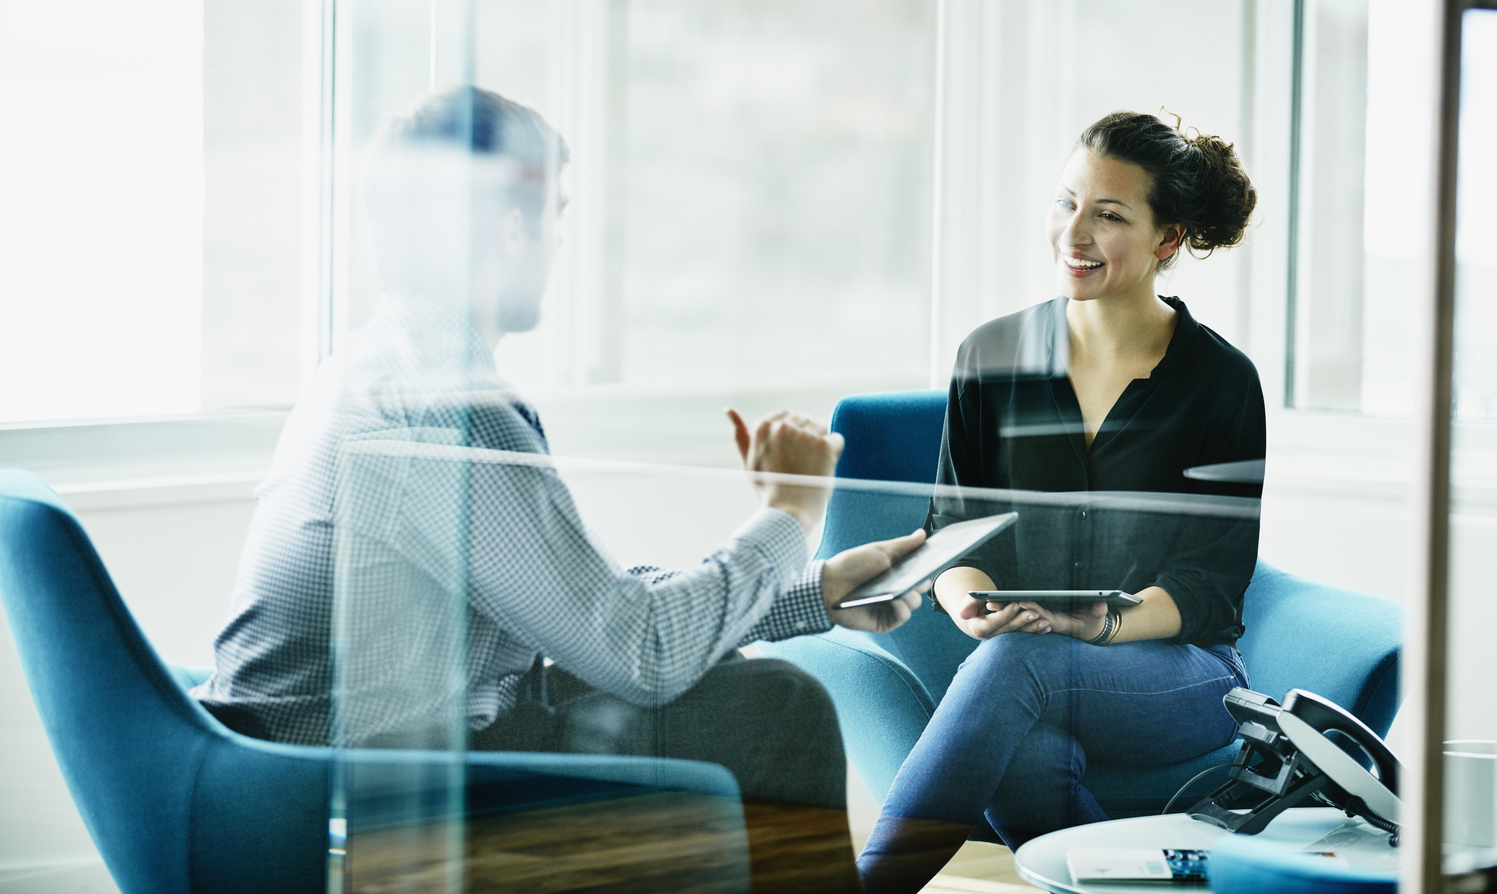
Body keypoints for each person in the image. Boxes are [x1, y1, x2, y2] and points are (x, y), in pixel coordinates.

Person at [191, 86, 927, 890]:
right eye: (555, 216)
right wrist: (791, 508)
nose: (557, 243)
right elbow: (639, 652)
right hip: (361, 798)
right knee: (776, 710)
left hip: (322, 765)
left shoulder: (379, 368)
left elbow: (596, 613)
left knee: (742, 694)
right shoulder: (449, 412)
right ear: (512, 229)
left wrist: (812, 590)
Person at [856, 111, 1266, 893]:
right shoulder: (991, 356)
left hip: (1185, 673)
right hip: (1033, 666)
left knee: (1021, 667)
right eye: (1065, 202)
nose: (1073, 233)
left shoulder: (1220, 383)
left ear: (1167, 240)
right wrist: (970, 601)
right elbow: (953, 534)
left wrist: (1100, 622)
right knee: (1028, 754)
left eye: (1109, 215)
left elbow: (1211, 586)